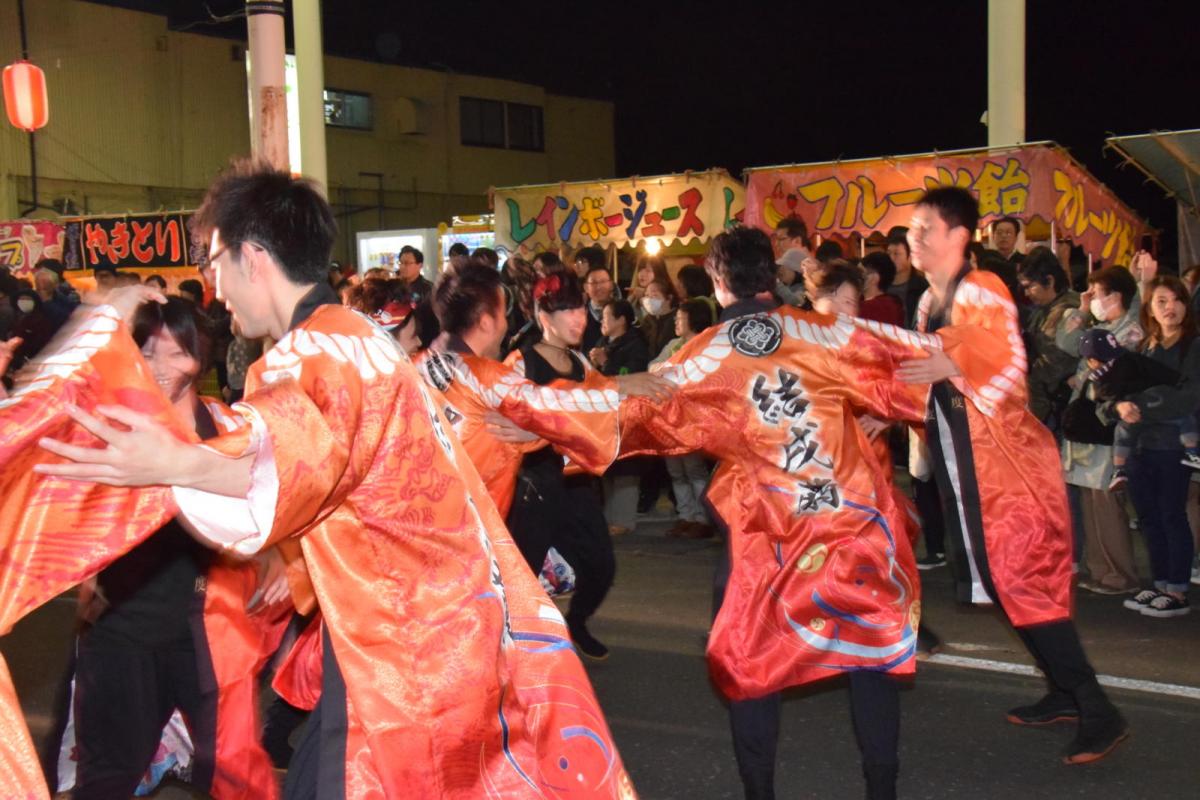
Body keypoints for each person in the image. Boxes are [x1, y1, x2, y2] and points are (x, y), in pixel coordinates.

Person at [34, 160, 635, 798]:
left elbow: (279, 462)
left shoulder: (303, 356)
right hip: (436, 621)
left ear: (253, 255)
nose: (214, 282)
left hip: (402, 641)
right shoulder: (360, 337)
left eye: (215, 260)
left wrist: (172, 463)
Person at [615, 225, 941, 800]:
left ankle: (760, 791)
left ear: (718, 282)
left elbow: (633, 409)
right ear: (772, 272)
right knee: (870, 654)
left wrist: (535, 416)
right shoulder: (827, 332)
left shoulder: (708, 353)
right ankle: (882, 789)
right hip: (851, 524)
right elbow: (919, 357)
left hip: (772, 540)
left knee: (749, 660)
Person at [858, 187, 1127, 765]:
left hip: (1007, 469)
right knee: (1005, 584)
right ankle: (1062, 690)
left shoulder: (983, 288)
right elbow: (922, 377)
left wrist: (953, 359)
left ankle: (1097, 708)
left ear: (959, 236)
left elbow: (1007, 365)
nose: (915, 239)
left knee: (1024, 582)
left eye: (925, 228)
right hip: (968, 469)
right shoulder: (931, 302)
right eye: (913, 230)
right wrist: (883, 410)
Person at [504, 270, 622, 658]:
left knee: (601, 564)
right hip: (534, 488)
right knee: (523, 577)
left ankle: (577, 622)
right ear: (543, 316)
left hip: (577, 486)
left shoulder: (580, 363)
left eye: (581, 310)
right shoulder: (520, 361)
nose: (579, 319)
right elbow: (504, 421)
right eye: (568, 310)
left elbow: (603, 411)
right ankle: (514, 652)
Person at [1111, 275, 1200, 617]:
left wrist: (1142, 407)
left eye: (1176, 300)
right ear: (1150, 307)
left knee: (1172, 514)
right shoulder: (1144, 346)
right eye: (1161, 301)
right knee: (1148, 517)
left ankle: (1177, 589)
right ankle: (1160, 582)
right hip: (1139, 446)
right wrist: (1120, 406)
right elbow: (1117, 388)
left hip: (1173, 446)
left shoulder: (1192, 346)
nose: (1170, 308)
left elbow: (1190, 396)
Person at [1057, 266, 1144, 594]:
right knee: (1090, 498)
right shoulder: (1100, 326)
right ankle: (1100, 569)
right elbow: (1066, 342)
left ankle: (1120, 573)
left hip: (1109, 425)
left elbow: (1113, 371)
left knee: (1106, 500)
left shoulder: (1130, 329)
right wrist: (1080, 309)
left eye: (1096, 294)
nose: (1092, 299)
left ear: (1116, 296)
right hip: (1086, 423)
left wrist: (1142, 281)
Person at [1077, 328, 1200, 488]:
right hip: (1146, 417)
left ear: (1091, 360)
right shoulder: (1125, 361)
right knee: (1183, 420)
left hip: (1150, 419)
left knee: (1123, 434)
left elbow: (1105, 399)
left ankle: (1119, 469)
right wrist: (1119, 407)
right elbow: (1103, 407)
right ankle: (1192, 452)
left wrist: (1122, 404)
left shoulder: (1099, 377)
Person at [651, 300, 715, 539]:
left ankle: (703, 517)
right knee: (676, 469)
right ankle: (686, 515)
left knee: (694, 468)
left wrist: (668, 369)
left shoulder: (705, 345)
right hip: (669, 413)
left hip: (693, 414)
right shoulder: (673, 344)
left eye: (680, 318)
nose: (676, 322)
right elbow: (653, 366)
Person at [1018, 247, 1080, 427]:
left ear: (1050, 281)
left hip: (1056, 406)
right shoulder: (1046, 308)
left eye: (1030, 286)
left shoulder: (1066, 310)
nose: (1027, 293)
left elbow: (1054, 366)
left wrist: (1023, 365)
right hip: (1045, 404)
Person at [884, 226, 928, 328]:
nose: (891, 258)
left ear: (911, 256)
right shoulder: (879, 286)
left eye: (897, 254)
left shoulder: (922, 288)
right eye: (888, 253)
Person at [859, 252, 905, 326]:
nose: (856, 277)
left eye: (860, 272)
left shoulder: (868, 308)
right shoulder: (894, 304)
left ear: (874, 278)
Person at [637, 279, 678, 358]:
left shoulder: (677, 320)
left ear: (669, 298)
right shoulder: (647, 320)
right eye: (647, 295)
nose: (649, 300)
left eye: (654, 295)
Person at [582, 261, 616, 352]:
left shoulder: (622, 312)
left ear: (611, 285)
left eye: (603, 281)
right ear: (586, 288)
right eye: (593, 283)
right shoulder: (579, 315)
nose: (599, 287)